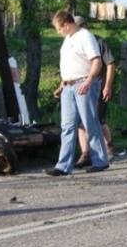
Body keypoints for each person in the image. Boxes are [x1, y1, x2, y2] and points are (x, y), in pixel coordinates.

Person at [43, 10, 110, 176]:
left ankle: (100, 160)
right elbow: (70, 65)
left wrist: (89, 81)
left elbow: (97, 61)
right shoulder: (68, 39)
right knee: (67, 126)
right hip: (68, 87)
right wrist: (63, 84)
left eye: (59, 29)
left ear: (66, 25)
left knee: (89, 122)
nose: (58, 32)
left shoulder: (85, 36)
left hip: (83, 84)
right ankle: (63, 165)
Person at [73, 15, 116, 167]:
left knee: (97, 120)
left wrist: (107, 86)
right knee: (80, 123)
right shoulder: (75, 43)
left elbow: (110, 64)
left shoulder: (99, 42)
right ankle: (86, 154)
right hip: (81, 87)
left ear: (85, 26)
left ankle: (109, 146)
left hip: (97, 86)